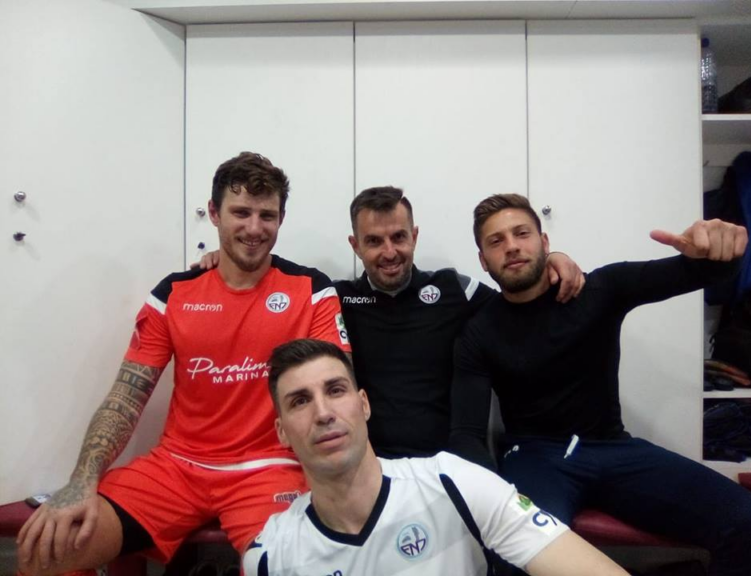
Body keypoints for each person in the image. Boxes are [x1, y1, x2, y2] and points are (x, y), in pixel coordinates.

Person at [17, 152, 351, 576]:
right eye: (241, 212)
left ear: (281, 219)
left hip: (269, 469)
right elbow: (126, 398)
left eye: (267, 215)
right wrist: (82, 480)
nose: (254, 228)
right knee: (48, 550)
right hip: (177, 467)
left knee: (292, 567)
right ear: (214, 213)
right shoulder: (173, 294)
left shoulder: (312, 290)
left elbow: (334, 391)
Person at [449, 193, 751, 576]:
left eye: (522, 233)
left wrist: (721, 252)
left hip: (613, 448)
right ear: (483, 261)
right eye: (496, 241)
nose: (512, 246)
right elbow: (466, 433)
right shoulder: (479, 333)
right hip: (535, 457)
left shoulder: (599, 289)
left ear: (545, 242)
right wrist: (491, 496)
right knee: (515, 557)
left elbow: (697, 273)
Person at [201, 186, 584, 457]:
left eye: (399, 237)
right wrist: (222, 264)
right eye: (374, 241)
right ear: (355, 245)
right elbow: (264, 294)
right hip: (363, 467)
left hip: (446, 462)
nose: (389, 252)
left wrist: (552, 260)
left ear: (414, 236)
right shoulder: (335, 300)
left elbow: (521, 301)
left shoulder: (454, 289)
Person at [243, 338, 630, 576]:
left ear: (364, 405)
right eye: (300, 401)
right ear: (282, 432)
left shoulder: (453, 483)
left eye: (336, 390)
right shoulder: (271, 556)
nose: (323, 413)